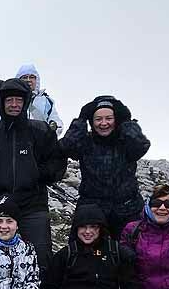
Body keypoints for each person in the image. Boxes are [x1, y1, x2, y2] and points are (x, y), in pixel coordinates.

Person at [0, 78, 66, 272]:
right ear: (2, 102)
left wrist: (37, 173)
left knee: (41, 255)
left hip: (32, 203)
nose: (14, 104)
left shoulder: (40, 130)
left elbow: (58, 162)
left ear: (25, 102)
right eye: (9, 100)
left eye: (19, 100)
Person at [59, 95, 152, 236]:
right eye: (98, 119)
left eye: (109, 118)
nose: (103, 123)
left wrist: (126, 121)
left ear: (117, 120)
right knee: (87, 255)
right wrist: (81, 120)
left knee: (129, 254)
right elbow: (66, 147)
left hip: (128, 210)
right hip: (91, 211)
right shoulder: (86, 142)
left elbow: (140, 146)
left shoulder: (125, 140)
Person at [14, 63, 63, 133]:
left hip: (40, 141)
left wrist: (52, 127)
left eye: (31, 77)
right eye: (24, 77)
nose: (28, 80)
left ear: (36, 80)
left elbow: (57, 123)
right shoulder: (10, 99)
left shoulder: (47, 101)